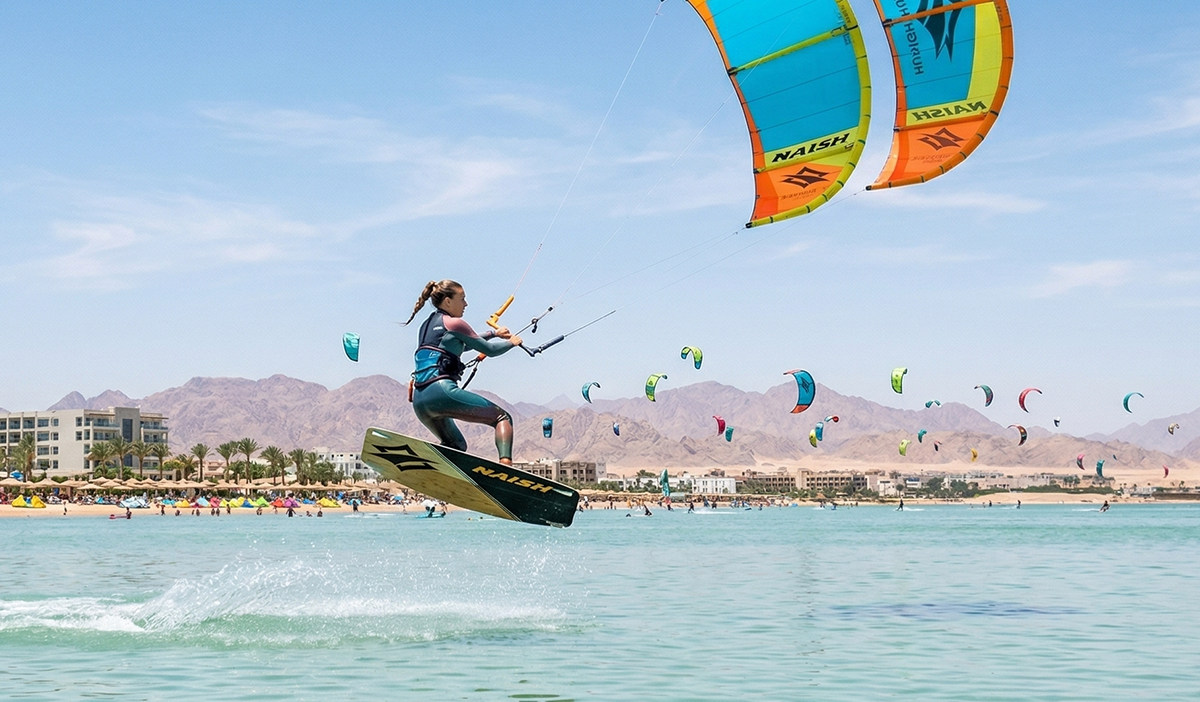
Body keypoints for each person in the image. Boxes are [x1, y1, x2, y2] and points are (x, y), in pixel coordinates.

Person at [405, 280, 523, 465]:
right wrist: (511, 342)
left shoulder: (426, 325)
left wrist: (494, 333)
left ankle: (428, 464)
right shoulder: (455, 323)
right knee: (503, 418)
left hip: (420, 402)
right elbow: (490, 350)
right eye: (462, 299)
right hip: (440, 391)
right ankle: (506, 470)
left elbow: (462, 343)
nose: (466, 304)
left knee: (456, 444)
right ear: (447, 301)